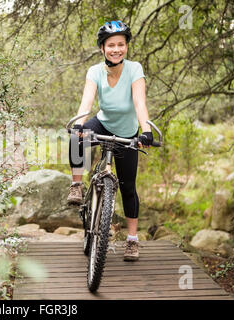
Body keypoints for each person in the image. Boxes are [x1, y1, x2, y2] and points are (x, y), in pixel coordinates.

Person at [67, 21, 153, 261]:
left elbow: (139, 103)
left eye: (121, 45)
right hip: (102, 123)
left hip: (127, 132)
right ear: (102, 48)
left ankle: (132, 241)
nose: (116, 49)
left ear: (126, 47)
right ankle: (76, 185)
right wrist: (79, 123)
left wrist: (145, 131)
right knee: (77, 137)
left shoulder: (135, 69)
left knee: (127, 186)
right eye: (111, 45)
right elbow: (86, 102)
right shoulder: (95, 71)